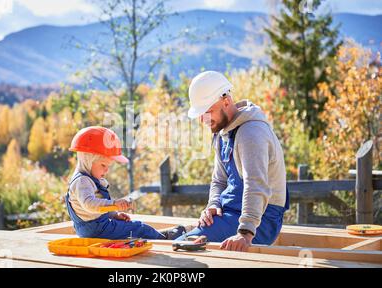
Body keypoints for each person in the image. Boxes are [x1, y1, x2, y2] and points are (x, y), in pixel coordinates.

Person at [176, 71, 290, 251]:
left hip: (260, 222)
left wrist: (245, 233)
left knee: (184, 246)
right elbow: (219, 180)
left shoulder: (251, 133)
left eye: (207, 112)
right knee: (182, 241)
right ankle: (183, 232)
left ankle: (184, 234)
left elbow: (256, 184)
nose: (203, 120)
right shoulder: (222, 133)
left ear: (226, 101)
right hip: (232, 213)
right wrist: (214, 204)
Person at [66, 126, 185, 240]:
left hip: (97, 227)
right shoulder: (82, 181)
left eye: (108, 166)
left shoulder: (89, 179)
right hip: (96, 230)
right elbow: (90, 205)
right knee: (137, 227)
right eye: (103, 165)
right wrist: (114, 203)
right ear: (87, 160)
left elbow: (98, 209)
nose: (106, 170)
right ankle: (163, 238)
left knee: (130, 227)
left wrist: (114, 214)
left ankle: (158, 235)